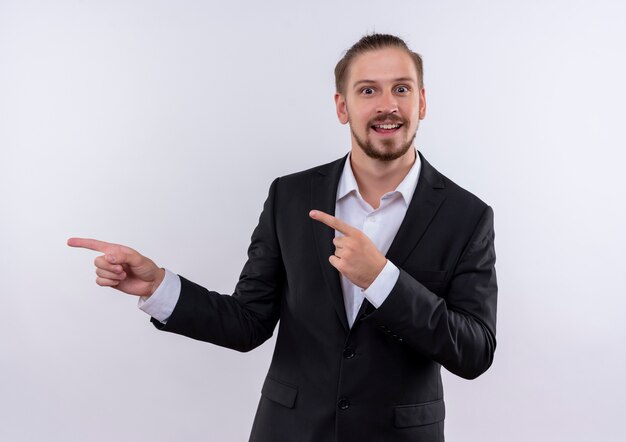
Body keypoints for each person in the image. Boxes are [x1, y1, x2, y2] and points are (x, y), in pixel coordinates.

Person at [68, 33, 497, 442]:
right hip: (290, 432)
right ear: (341, 106)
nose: (388, 106)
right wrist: (159, 285)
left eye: (401, 89)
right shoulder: (290, 197)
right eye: (368, 91)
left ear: (421, 101)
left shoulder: (467, 216)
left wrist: (383, 279)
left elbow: (474, 351)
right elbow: (248, 322)